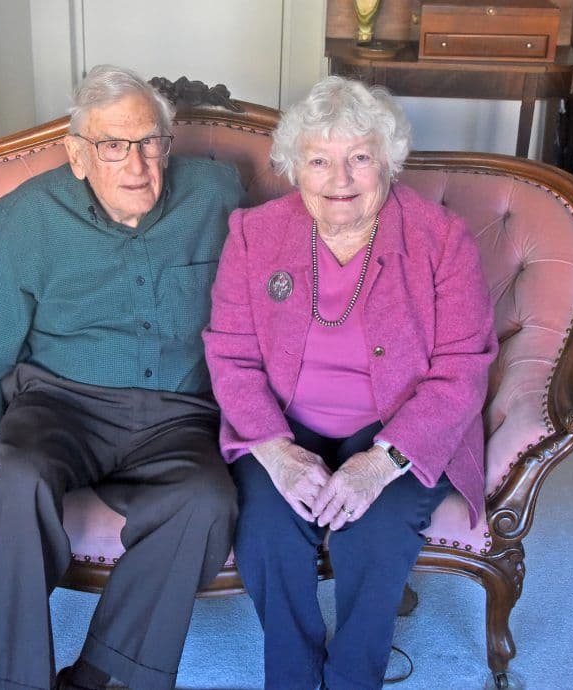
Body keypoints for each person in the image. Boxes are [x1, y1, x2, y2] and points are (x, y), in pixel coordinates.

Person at [0, 64, 243, 690]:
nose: (137, 165)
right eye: (114, 146)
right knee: (15, 484)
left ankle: (99, 677)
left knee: (207, 501)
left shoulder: (218, 193)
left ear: (168, 144)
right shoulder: (26, 216)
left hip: (178, 413)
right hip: (60, 405)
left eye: (150, 143)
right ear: (79, 153)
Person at [203, 76, 498, 690]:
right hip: (284, 427)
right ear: (293, 168)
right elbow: (230, 355)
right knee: (266, 536)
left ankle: (352, 679)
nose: (340, 179)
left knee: (375, 537)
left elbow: (462, 368)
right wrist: (276, 453)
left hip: (399, 430)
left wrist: (378, 463)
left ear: (387, 162)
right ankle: (292, 675)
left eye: (359, 158)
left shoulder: (440, 240)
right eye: (319, 160)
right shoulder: (255, 235)